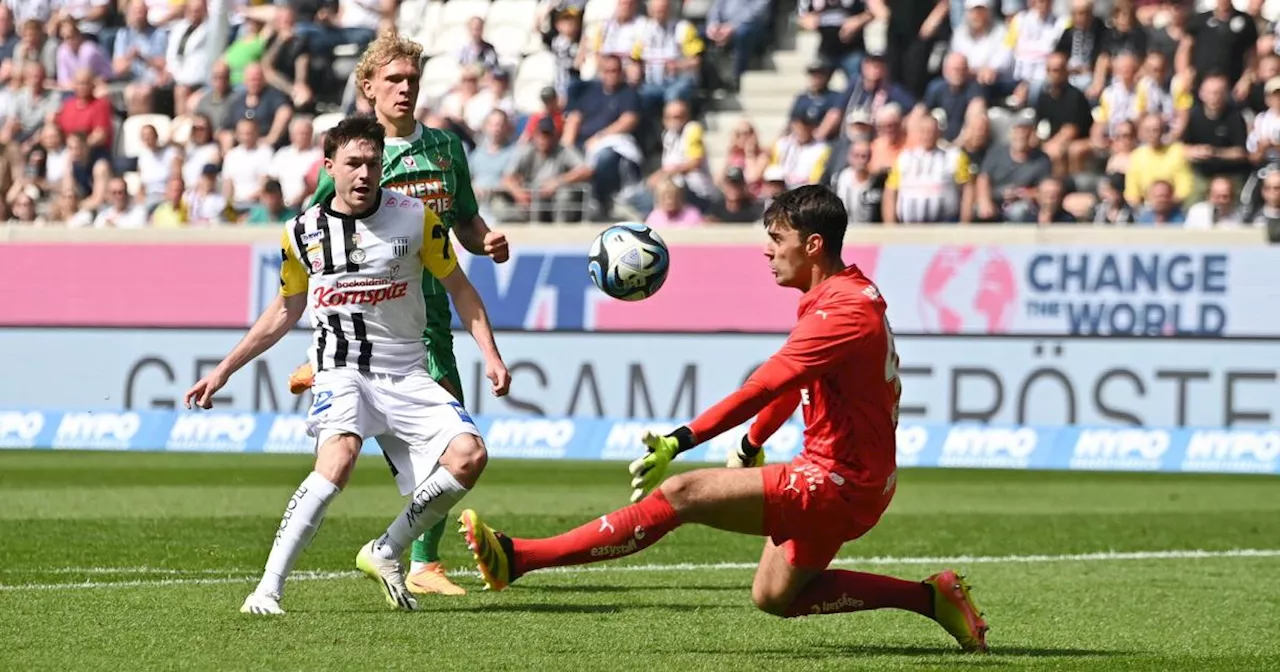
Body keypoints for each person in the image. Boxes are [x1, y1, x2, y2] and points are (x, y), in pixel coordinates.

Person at [459, 185, 988, 653]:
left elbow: (766, 385)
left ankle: (518, 557)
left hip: (836, 480)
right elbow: (801, 381)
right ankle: (932, 598)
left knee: (682, 494)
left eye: (777, 238)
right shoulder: (841, 292)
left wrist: (679, 440)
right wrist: (752, 442)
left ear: (813, 245)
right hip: (855, 479)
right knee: (775, 596)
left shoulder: (840, 313)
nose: (766, 250)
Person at [185, 115, 511, 617]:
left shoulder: (417, 218)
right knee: (338, 458)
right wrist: (225, 368)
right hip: (341, 370)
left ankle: (385, 550)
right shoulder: (301, 234)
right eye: (353, 163)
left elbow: (461, 289)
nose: (364, 174)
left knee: (470, 456)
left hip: (406, 370)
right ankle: (267, 590)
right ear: (329, 166)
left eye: (373, 163)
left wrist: (490, 354)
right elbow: (285, 308)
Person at [290, 33, 510, 597]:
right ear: (368, 88)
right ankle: (416, 559)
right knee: (450, 446)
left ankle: (418, 558)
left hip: (433, 317)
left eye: (412, 80)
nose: (406, 90)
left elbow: (465, 219)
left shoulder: (444, 149)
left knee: (452, 445)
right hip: (371, 327)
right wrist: (320, 335)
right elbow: (319, 241)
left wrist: (486, 241)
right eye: (394, 80)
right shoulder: (353, 156)